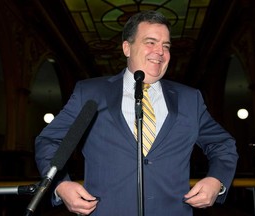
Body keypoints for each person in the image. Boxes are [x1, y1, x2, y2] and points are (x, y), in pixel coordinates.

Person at [35, 10, 238, 216]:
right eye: (150, 42)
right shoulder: (90, 93)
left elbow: (222, 144)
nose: (160, 51)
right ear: (127, 48)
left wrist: (217, 181)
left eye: (166, 46)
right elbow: (50, 141)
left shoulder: (189, 99)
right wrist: (60, 185)